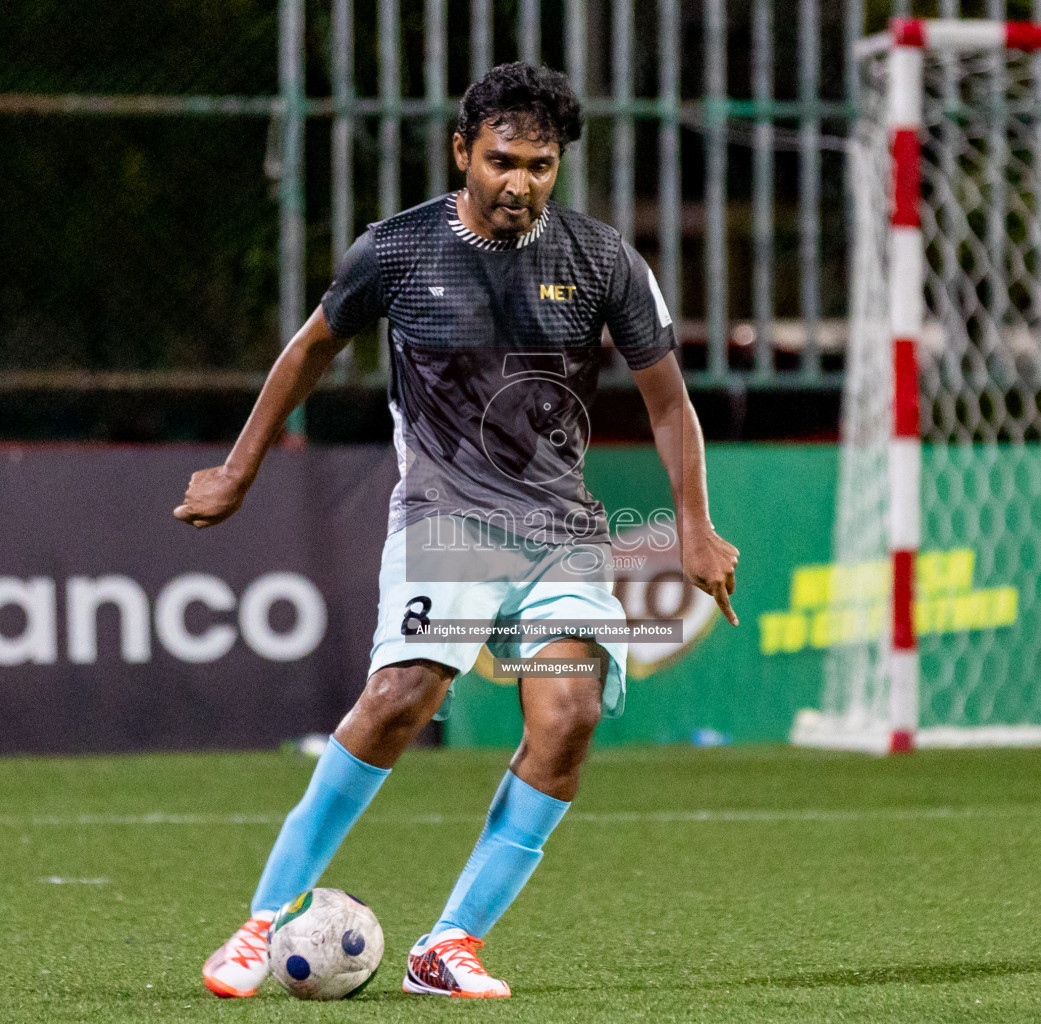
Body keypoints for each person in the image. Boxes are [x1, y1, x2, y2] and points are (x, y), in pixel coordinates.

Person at [176, 61, 739, 1000]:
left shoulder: (604, 262)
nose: (521, 183)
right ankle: (263, 921)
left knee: (568, 715)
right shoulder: (396, 253)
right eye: (503, 161)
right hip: (450, 520)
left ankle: (448, 945)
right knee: (405, 691)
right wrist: (239, 469)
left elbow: (670, 404)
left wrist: (696, 527)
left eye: (542, 166)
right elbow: (309, 349)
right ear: (463, 153)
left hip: (562, 534)